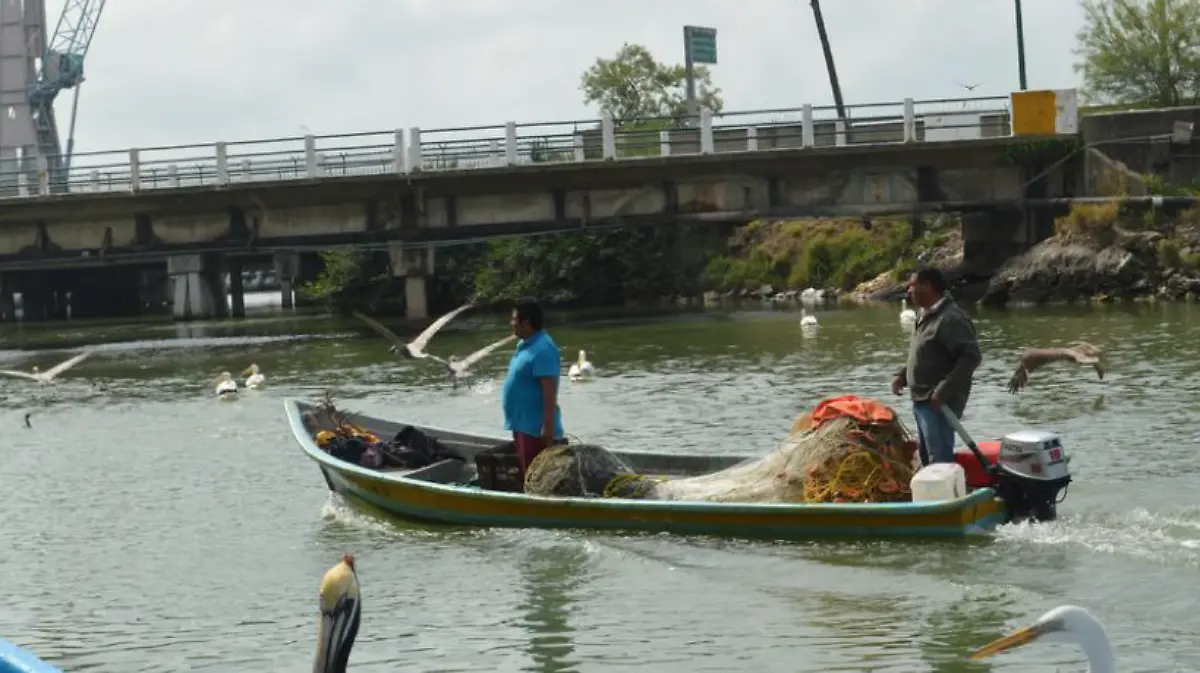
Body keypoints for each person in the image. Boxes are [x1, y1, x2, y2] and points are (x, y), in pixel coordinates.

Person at [891, 268, 982, 466]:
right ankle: (932, 494)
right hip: (922, 400)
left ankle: (945, 494)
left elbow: (971, 357)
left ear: (928, 286)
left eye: (913, 286)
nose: (909, 291)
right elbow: (922, 353)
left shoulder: (951, 318)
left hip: (940, 403)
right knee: (926, 457)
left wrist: (944, 389)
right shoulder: (923, 315)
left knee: (938, 460)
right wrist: (902, 376)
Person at [502, 298, 566, 477]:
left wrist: (548, 428)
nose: (511, 323)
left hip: (536, 430)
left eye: (514, 320)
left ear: (526, 323)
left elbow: (550, 391)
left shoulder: (543, 348)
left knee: (539, 478)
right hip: (523, 426)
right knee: (530, 476)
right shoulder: (525, 345)